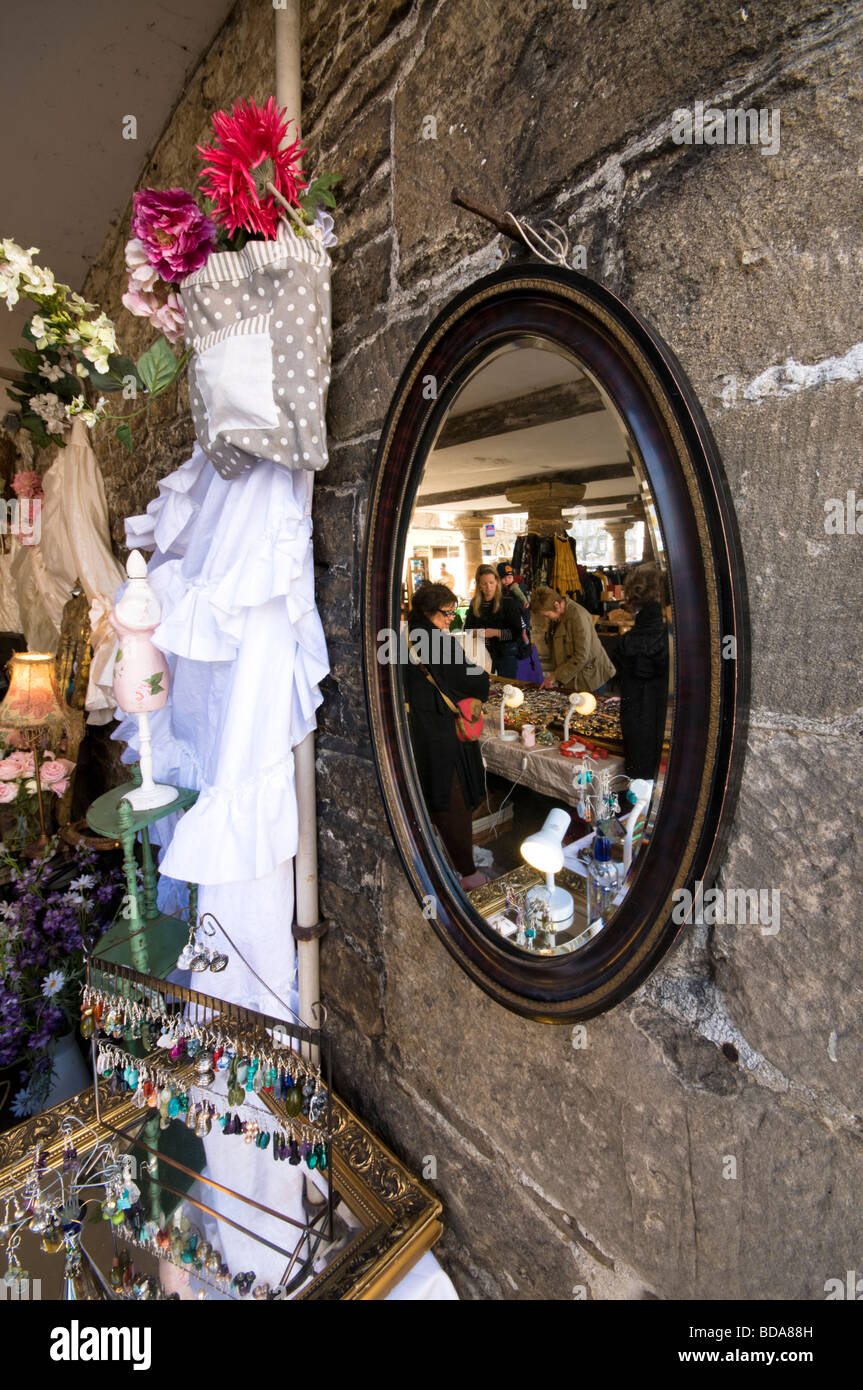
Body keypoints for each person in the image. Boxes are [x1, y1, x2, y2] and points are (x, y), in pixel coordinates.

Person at [403, 582, 490, 890]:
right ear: (428, 611)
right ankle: (466, 872)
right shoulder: (437, 642)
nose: (451, 619)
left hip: (421, 730)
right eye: (446, 613)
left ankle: (445, 861)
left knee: (432, 795)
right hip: (443, 732)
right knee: (452, 798)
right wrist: (482, 678)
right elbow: (470, 678)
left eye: (454, 612)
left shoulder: (406, 637)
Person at [614, 564, 669, 780]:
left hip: (636, 719)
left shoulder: (628, 642)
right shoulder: (670, 639)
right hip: (660, 720)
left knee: (639, 777)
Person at [530, 584, 616, 692]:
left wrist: (555, 676)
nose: (547, 620)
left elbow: (581, 655)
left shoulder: (578, 616)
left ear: (556, 605)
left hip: (591, 678)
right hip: (574, 676)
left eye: (547, 616)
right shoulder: (558, 617)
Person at [464, 564, 525, 678]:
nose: (489, 587)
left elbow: (517, 633)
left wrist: (496, 633)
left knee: (506, 689)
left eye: (491, 582)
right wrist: (477, 632)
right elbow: (467, 629)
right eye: (484, 584)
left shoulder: (508, 602)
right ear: (479, 585)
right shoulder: (475, 603)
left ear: (497, 581)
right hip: (482, 654)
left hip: (505, 655)